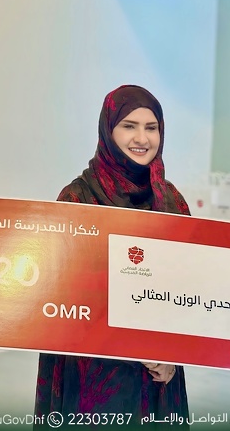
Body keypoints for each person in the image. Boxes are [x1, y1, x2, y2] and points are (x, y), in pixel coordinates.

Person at [34, 85, 190, 426]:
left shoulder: (171, 201)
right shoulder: (78, 198)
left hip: (157, 369)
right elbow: (62, 291)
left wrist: (172, 354)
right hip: (94, 370)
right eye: (129, 126)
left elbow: (186, 288)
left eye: (151, 128)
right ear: (108, 130)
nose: (142, 138)